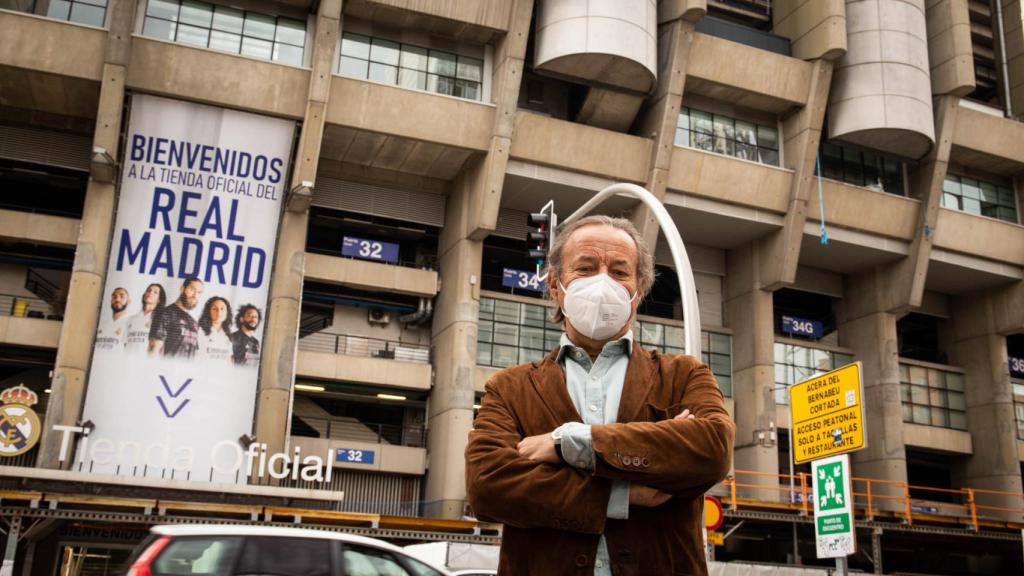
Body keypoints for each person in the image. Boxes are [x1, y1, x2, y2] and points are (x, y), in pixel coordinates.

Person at [465, 215, 735, 576]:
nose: (602, 281)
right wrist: (621, 494)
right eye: (586, 268)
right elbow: (487, 485)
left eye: (619, 271)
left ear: (638, 291)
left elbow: (712, 448)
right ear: (555, 285)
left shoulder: (684, 375)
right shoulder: (509, 388)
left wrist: (571, 443)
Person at [149, 277, 203, 358]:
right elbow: (153, 349)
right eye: (192, 289)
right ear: (182, 289)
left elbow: (195, 355)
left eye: (199, 292)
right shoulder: (164, 313)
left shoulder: (194, 323)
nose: (195, 295)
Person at [125, 283, 166, 354]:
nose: (150, 293)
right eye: (148, 290)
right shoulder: (131, 319)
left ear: (159, 300)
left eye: (155, 292)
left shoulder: (161, 320)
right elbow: (124, 344)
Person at [198, 296, 233, 362]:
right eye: (214, 309)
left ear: (227, 312)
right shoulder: (199, 331)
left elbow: (229, 361)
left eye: (222, 309)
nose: (219, 312)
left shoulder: (228, 336)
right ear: (208, 311)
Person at [95, 287, 130, 351]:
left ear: (128, 301)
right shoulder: (100, 324)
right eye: (114, 296)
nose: (117, 299)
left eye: (122, 296)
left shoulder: (130, 325)